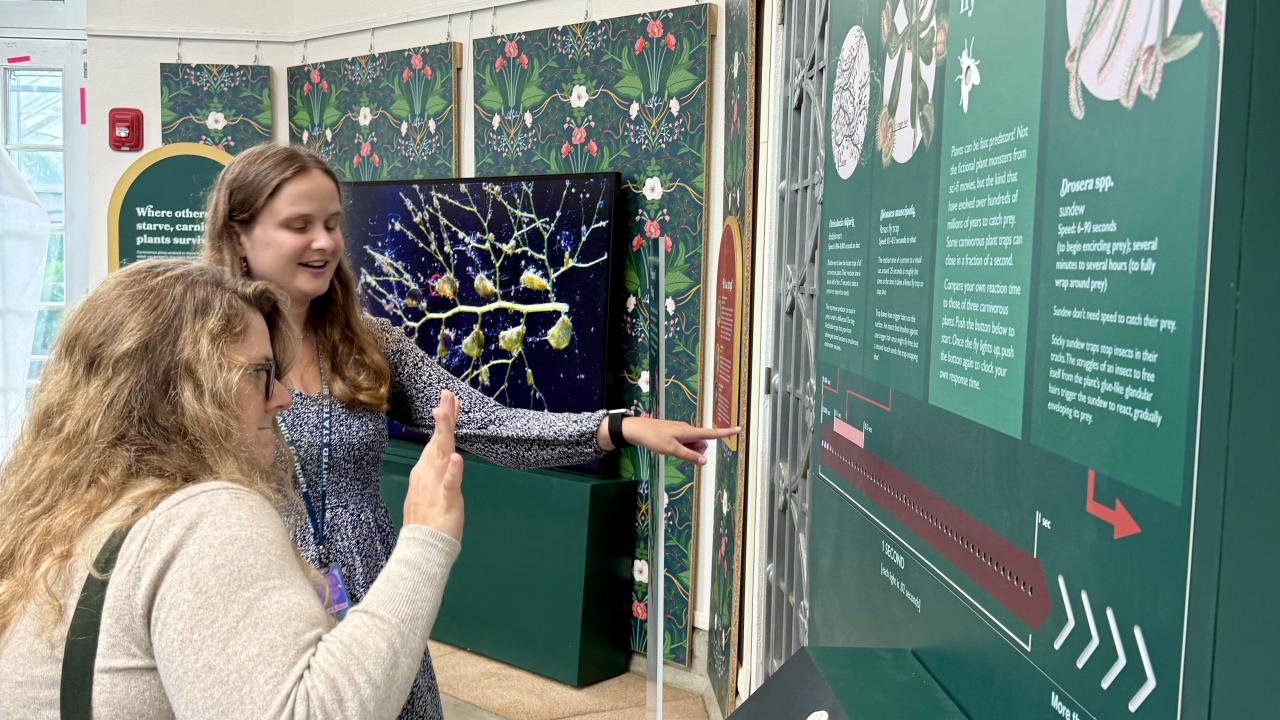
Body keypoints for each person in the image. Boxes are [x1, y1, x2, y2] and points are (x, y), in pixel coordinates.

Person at [201, 143, 738, 720]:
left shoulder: (367, 341)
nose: (325, 242)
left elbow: (483, 422)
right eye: (298, 225)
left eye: (332, 223)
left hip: (381, 592)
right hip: (270, 593)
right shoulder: (201, 355)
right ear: (239, 236)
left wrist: (618, 427)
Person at [0, 259, 466, 719]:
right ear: (186, 387)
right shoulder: (206, 515)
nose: (283, 398)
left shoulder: (70, 517)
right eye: (261, 373)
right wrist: (426, 537)